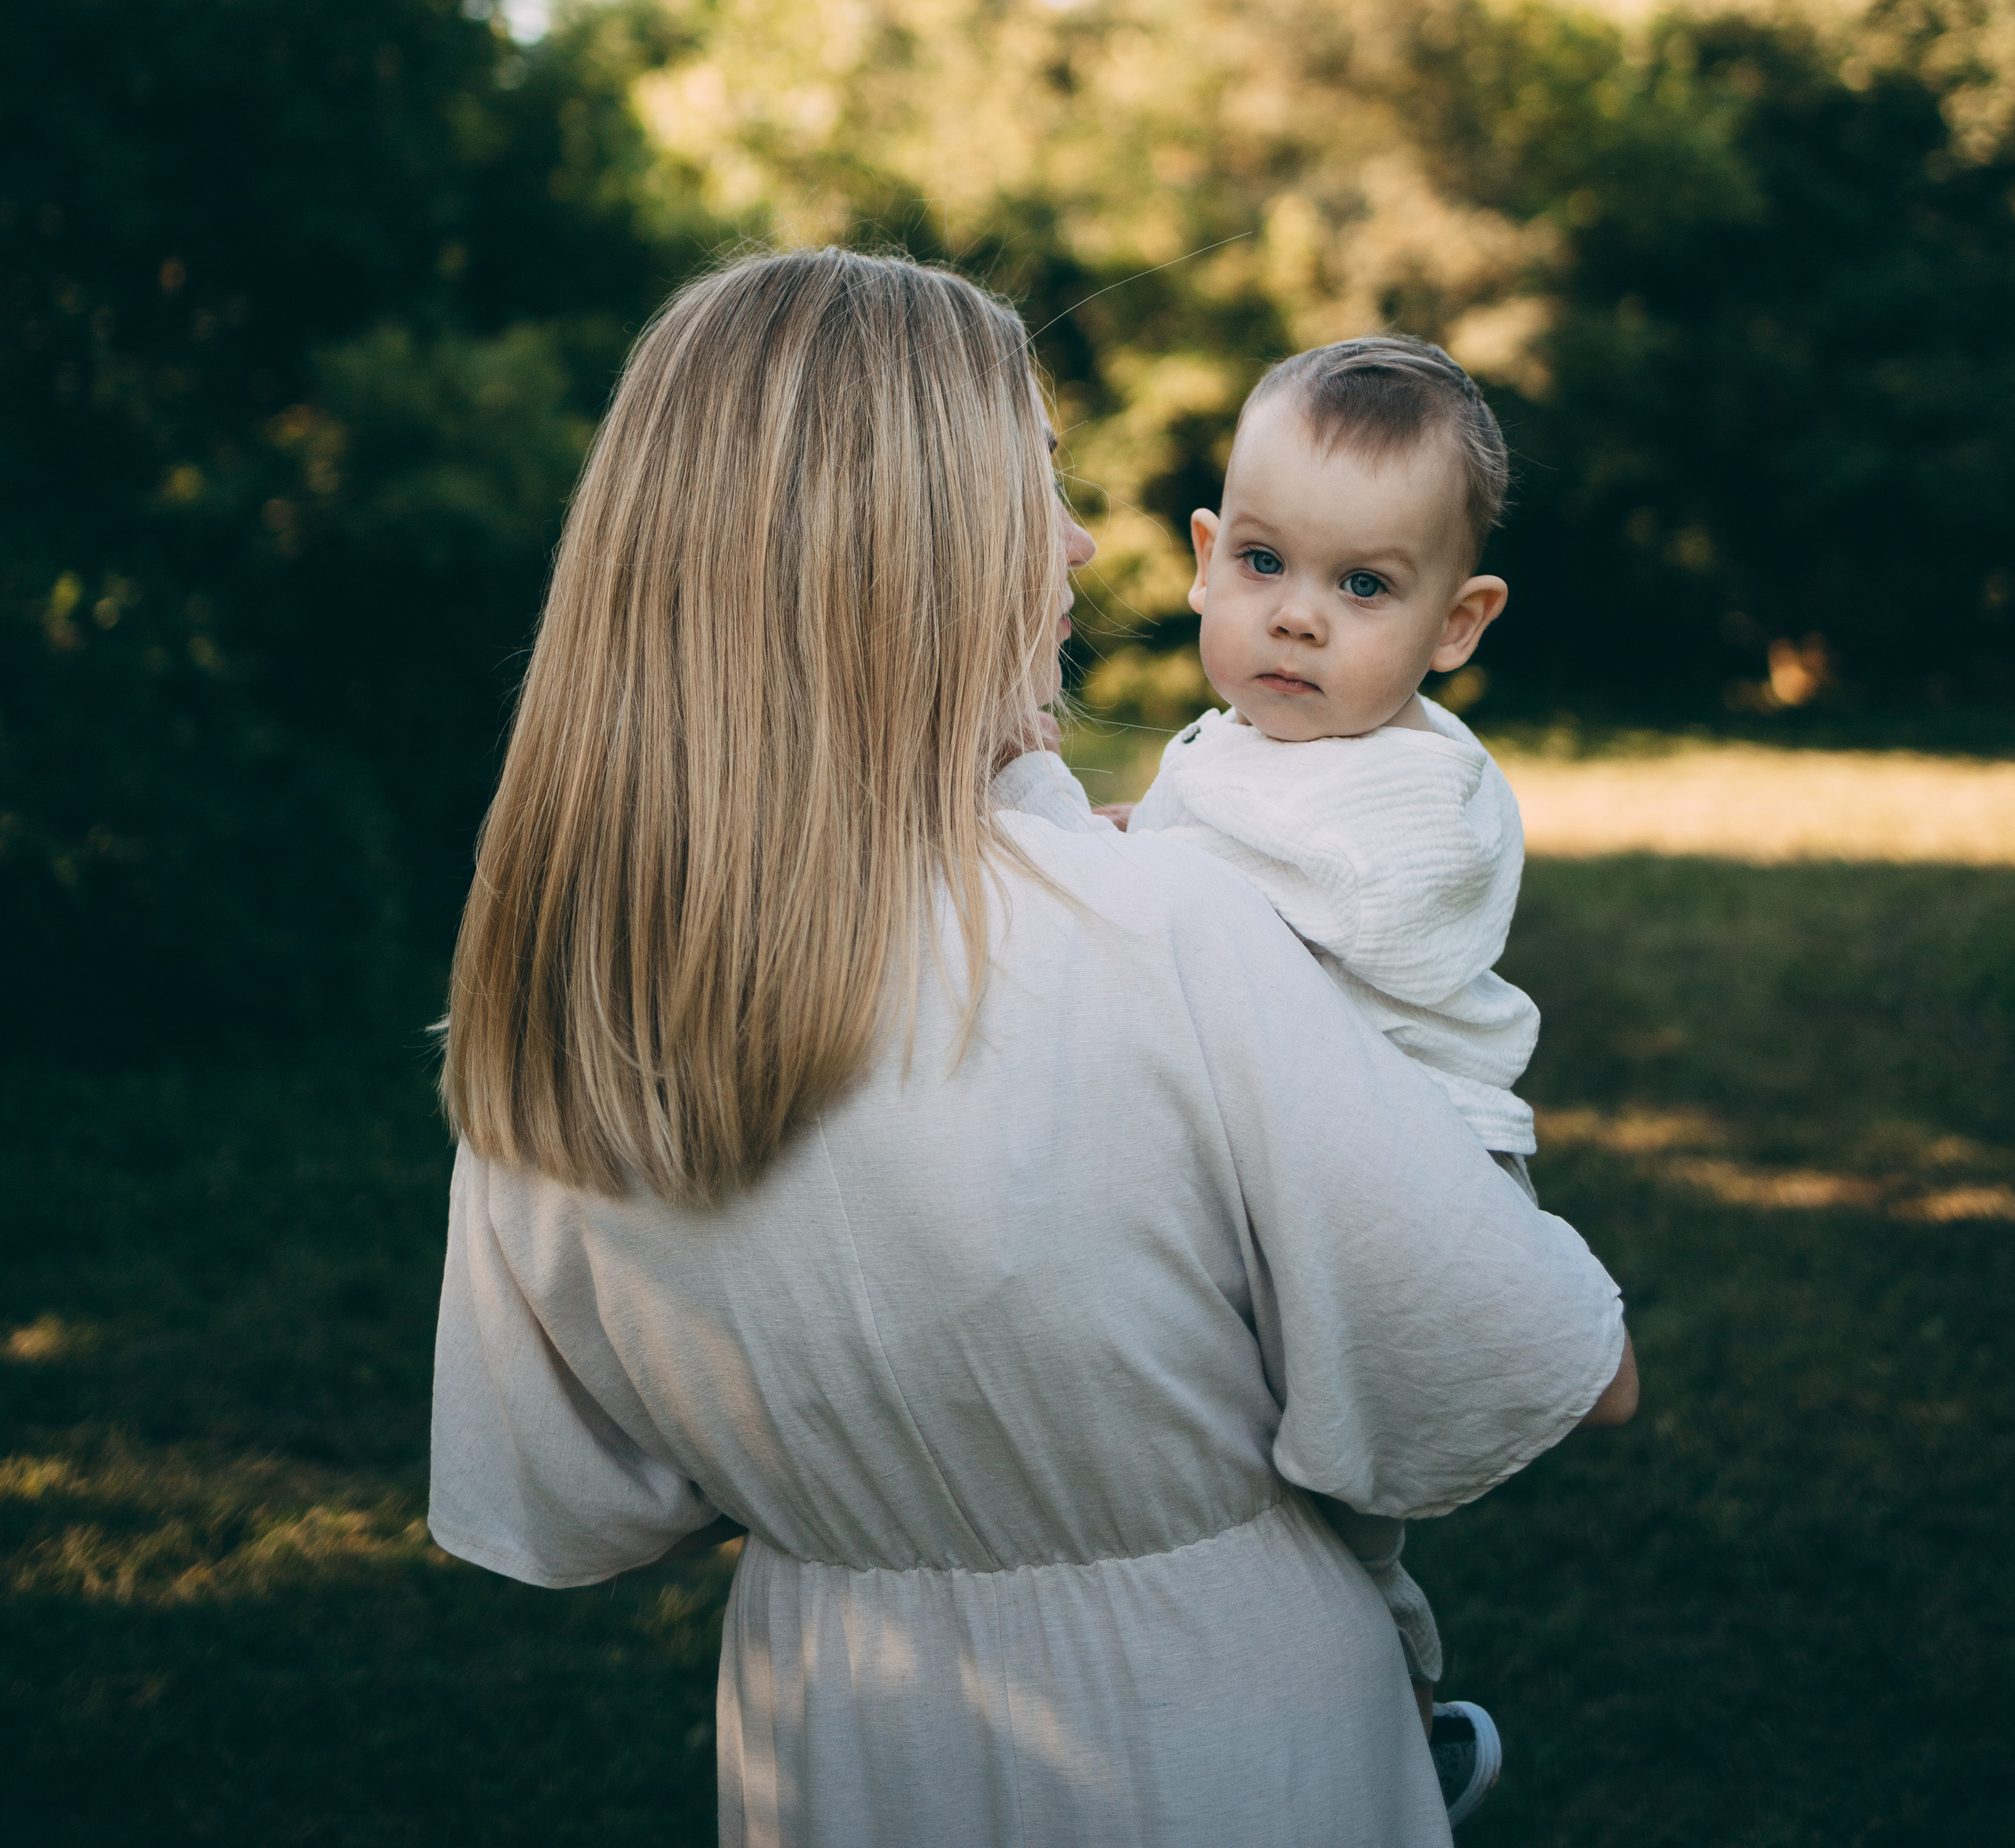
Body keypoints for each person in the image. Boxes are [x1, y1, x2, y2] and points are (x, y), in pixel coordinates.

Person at [429, 249, 1636, 1846]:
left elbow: (584, 1493)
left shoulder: (575, 1003)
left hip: (830, 1744)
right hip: (1206, 1743)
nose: (1075, 542)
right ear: (903, 548)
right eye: (1032, 484)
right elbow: (1543, 1366)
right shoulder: (1161, 929)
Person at [1005, 333, 1545, 1805]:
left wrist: (1105, 875)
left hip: (1415, 1160)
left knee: (1341, 1488)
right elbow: (1188, 877)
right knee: (1273, 1478)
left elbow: (1243, 927)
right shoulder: (1243, 742)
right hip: (1288, 1134)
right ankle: (1386, 1700)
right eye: (1263, 564)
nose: (1298, 620)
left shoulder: (1418, 797)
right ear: (1201, 558)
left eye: (1364, 587)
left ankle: (1390, 1717)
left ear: (1456, 621)